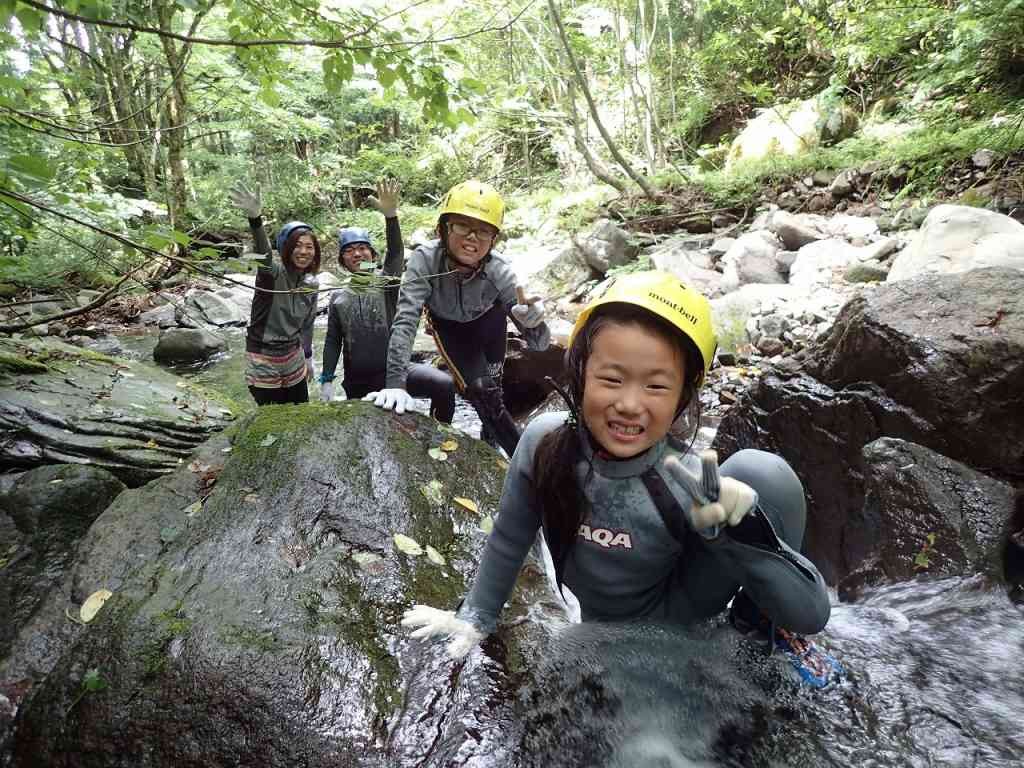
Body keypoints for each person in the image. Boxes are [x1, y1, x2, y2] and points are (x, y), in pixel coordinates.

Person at [401, 271, 838, 685]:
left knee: (761, 472)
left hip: (681, 617)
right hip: (602, 629)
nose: (630, 405)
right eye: (611, 379)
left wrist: (744, 535)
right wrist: (474, 618)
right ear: (580, 375)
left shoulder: (684, 478)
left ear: (683, 396)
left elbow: (813, 614)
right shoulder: (542, 443)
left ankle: (758, 619)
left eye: (656, 387)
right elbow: (510, 538)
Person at [364, 179, 549, 456]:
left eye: (483, 231)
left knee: (494, 388)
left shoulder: (500, 271)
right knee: (481, 390)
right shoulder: (424, 261)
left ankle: (492, 441)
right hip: (450, 329)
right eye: (462, 225)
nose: (473, 237)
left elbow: (540, 345)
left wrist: (535, 325)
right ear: (442, 229)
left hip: (490, 324)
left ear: (493, 240)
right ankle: (527, 462)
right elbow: (406, 321)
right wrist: (396, 384)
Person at [319, 180, 455, 423]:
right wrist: (327, 379)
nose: (358, 254)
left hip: (396, 372)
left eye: (363, 248)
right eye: (350, 250)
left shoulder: (387, 281)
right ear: (342, 260)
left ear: (373, 255)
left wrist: (391, 217)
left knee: (444, 385)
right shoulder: (338, 296)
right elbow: (332, 341)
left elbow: (395, 254)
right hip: (357, 381)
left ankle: (440, 432)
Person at [230, 183, 320, 406]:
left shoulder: (312, 284)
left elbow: (307, 325)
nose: (304, 251)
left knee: (301, 414)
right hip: (263, 357)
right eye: (297, 245)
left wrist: (308, 357)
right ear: (286, 248)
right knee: (273, 418)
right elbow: (264, 255)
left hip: (294, 357)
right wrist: (255, 220)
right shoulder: (272, 273)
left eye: (309, 247)